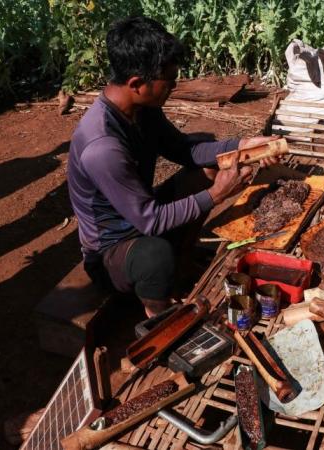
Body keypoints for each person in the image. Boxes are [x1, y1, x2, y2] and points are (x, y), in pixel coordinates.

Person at [67, 16, 279, 318]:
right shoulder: (102, 147)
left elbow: (185, 150)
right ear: (137, 84)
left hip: (141, 215)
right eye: (169, 81)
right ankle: (159, 313)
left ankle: (182, 262)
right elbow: (150, 223)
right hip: (112, 251)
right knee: (155, 255)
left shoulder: (141, 110)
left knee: (206, 171)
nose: (175, 87)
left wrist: (242, 146)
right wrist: (217, 195)